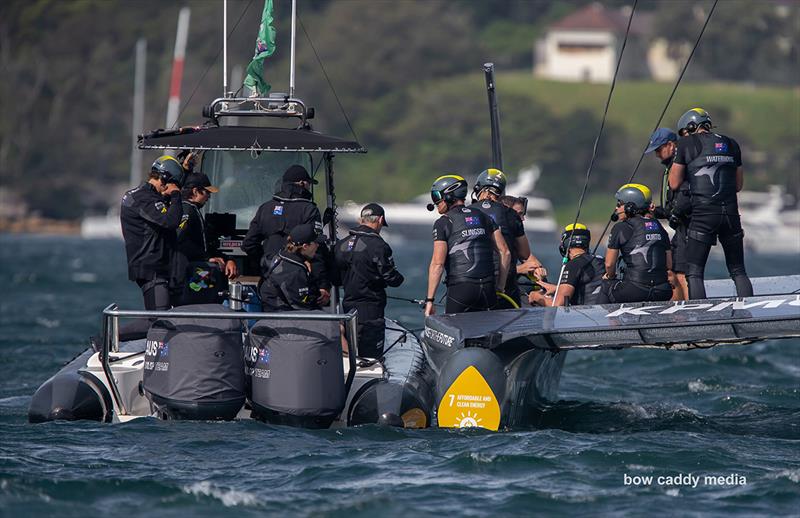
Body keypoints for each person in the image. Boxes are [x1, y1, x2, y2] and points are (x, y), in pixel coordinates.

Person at [668, 108, 753, 299]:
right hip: (731, 215)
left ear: (689, 127)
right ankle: (749, 314)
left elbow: (673, 183)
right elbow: (738, 185)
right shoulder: (731, 143)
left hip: (703, 216)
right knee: (738, 270)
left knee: (695, 273)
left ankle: (701, 319)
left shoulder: (686, 144)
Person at [241, 164, 331, 306]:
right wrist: (323, 285)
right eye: (308, 183)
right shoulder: (309, 209)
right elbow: (316, 249)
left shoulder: (265, 208)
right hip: (299, 282)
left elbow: (248, 244)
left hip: (269, 281)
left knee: (269, 323)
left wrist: (266, 262)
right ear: (302, 183)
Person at [424, 175, 510, 316]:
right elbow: (505, 252)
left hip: (461, 289)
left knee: (456, 334)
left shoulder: (443, 222)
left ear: (449, 195)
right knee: (487, 335)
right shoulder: (484, 216)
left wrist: (429, 301)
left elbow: (437, 264)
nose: (435, 202)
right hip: (488, 289)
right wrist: (500, 287)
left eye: (436, 196)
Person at [333, 203, 404, 357]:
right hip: (371, 310)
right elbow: (392, 278)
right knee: (370, 357)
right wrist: (399, 278)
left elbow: (335, 279)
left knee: (352, 352)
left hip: (348, 307)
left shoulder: (341, 244)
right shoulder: (378, 245)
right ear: (380, 220)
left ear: (362, 220)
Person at [471, 169, 545, 308]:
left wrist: (537, 270)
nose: (522, 218)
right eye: (519, 214)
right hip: (502, 287)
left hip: (472, 284)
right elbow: (523, 254)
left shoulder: (469, 212)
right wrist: (520, 269)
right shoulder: (508, 216)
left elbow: (530, 259)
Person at [120, 156, 184, 310]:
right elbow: (171, 222)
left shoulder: (147, 196)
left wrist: (186, 168)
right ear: (163, 179)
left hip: (155, 266)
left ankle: (115, 334)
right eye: (173, 184)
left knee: (161, 317)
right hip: (151, 268)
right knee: (159, 317)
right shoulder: (143, 198)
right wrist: (175, 195)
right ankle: (112, 335)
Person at [172, 173, 238, 305]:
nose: (209, 196)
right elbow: (179, 239)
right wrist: (206, 258)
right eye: (206, 192)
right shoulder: (187, 210)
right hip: (187, 274)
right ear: (195, 191)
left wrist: (227, 259)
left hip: (194, 271)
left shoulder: (193, 209)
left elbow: (205, 244)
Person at [600, 184, 673, 303]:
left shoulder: (620, 228)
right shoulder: (659, 226)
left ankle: (610, 321)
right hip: (663, 291)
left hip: (634, 290)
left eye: (619, 204)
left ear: (629, 207)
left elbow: (609, 265)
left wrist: (610, 277)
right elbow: (669, 264)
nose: (616, 208)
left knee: (605, 284)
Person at [646, 127, 689, 300]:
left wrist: (676, 213)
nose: (656, 154)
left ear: (671, 145)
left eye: (658, 149)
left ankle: (691, 310)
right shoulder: (669, 167)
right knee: (674, 271)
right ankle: (681, 309)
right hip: (680, 227)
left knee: (682, 273)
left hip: (688, 226)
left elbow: (686, 197)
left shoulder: (681, 166)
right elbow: (672, 206)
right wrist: (656, 212)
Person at [529, 224, 604, 307]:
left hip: (585, 317)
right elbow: (589, 286)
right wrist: (557, 289)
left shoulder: (572, 265)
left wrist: (536, 297)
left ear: (565, 244)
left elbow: (557, 305)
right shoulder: (601, 260)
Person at [260, 223, 325, 312]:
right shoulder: (294, 272)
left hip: (274, 310)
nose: (318, 246)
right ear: (305, 246)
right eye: (316, 243)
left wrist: (315, 293)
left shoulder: (281, 255)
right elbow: (304, 305)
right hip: (282, 318)